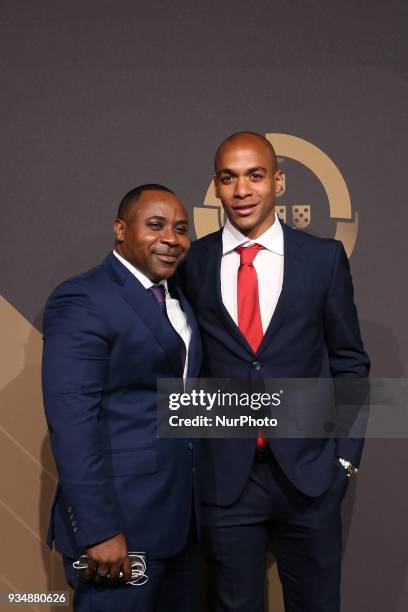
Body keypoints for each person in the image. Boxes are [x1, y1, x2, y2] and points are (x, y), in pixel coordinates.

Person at [177, 132, 370, 612]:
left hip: (308, 477)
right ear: (216, 188)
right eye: (229, 178)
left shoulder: (323, 260)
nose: (242, 189)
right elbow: (186, 368)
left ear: (278, 182)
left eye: (255, 175)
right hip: (226, 481)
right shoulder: (191, 264)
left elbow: (349, 361)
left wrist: (345, 458)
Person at [42, 184, 202, 612]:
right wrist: (98, 531)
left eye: (181, 228)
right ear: (120, 229)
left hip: (184, 526)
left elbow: (179, 401)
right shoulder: (84, 298)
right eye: (155, 225)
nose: (171, 237)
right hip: (120, 531)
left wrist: (323, 418)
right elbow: (73, 422)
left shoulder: (180, 300)